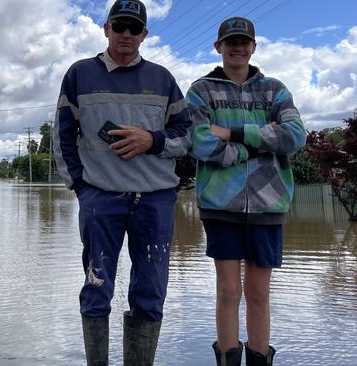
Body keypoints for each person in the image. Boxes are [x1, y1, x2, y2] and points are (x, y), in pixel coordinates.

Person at [53, 1, 192, 364]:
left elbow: (187, 135)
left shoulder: (163, 79)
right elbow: (62, 136)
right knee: (97, 287)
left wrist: (153, 140)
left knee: (150, 292)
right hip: (100, 198)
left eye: (135, 28)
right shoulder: (79, 74)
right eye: (120, 26)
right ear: (106, 29)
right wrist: (81, 188)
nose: (126, 35)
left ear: (145, 34)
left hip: (156, 200)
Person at [186, 16, 307, 366]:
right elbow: (199, 142)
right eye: (230, 41)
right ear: (218, 47)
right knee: (227, 292)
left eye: (244, 41)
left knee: (258, 294)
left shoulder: (275, 90)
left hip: (270, 204)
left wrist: (232, 132)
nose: (237, 47)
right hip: (220, 204)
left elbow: (295, 137)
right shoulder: (201, 90)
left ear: (253, 46)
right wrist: (259, 140)